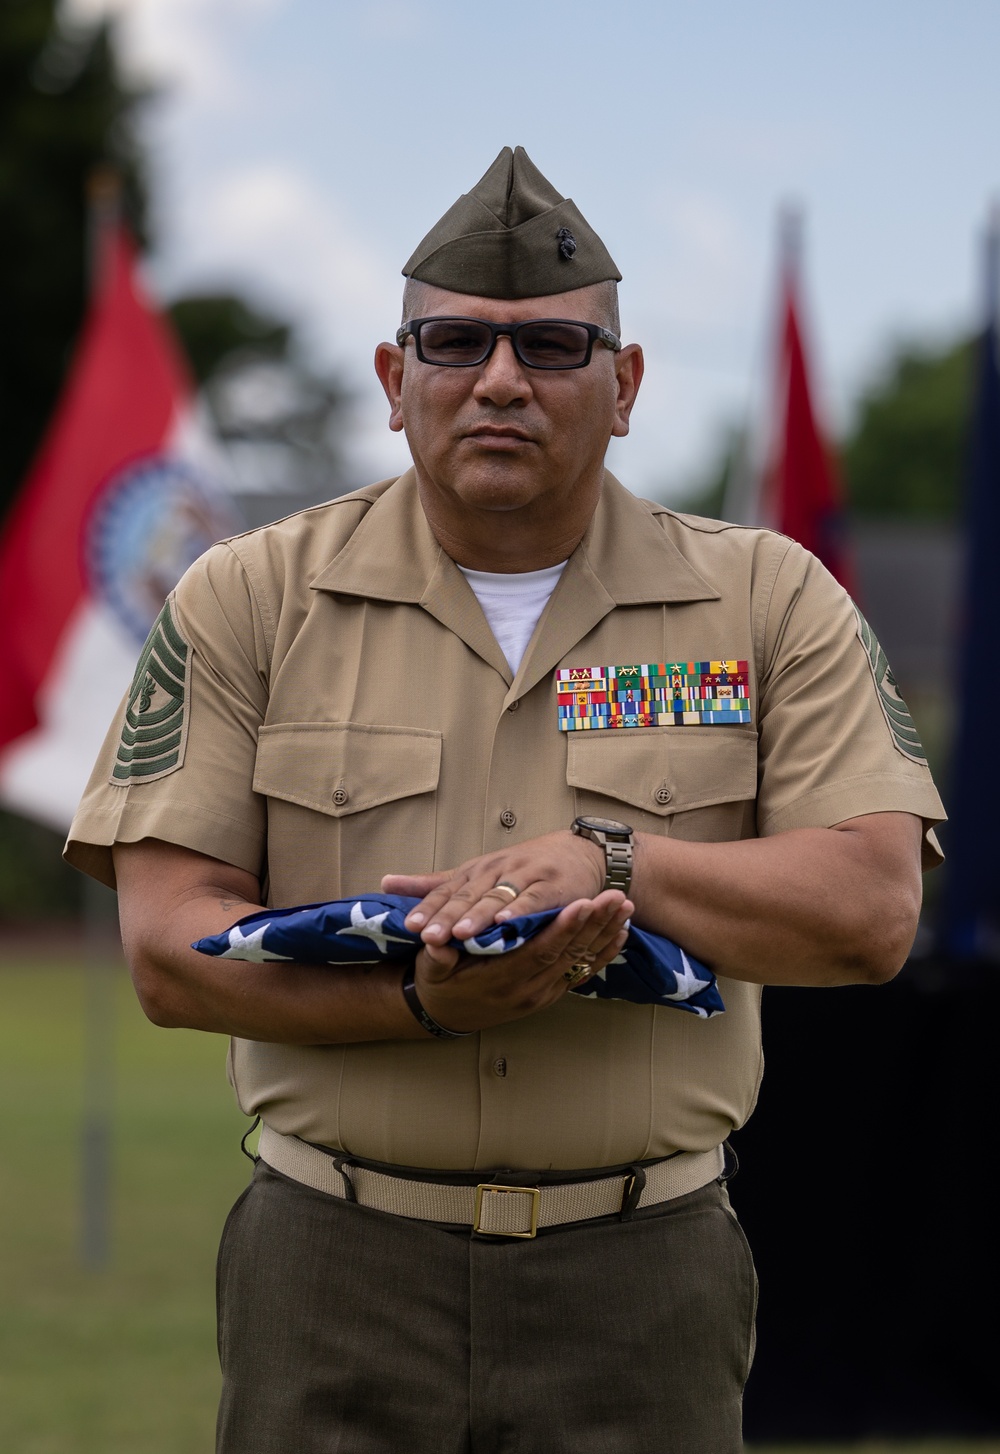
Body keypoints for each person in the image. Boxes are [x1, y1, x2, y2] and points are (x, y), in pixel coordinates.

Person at [66, 147, 946, 1454]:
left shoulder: (768, 603)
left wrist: (616, 861)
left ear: (627, 383)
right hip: (332, 1271)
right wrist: (416, 998)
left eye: (551, 349)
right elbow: (166, 948)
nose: (498, 381)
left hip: (641, 1276)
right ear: (392, 377)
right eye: (455, 341)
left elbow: (873, 909)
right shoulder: (248, 597)